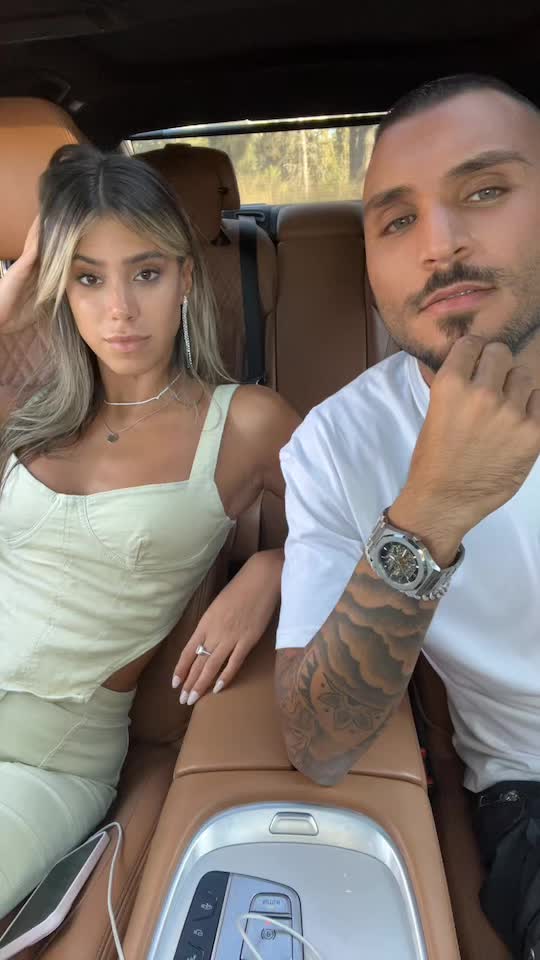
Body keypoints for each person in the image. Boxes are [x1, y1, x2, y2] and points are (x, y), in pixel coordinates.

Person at [275, 75, 540, 958]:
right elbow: (318, 742)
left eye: (486, 191)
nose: (438, 245)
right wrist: (429, 514)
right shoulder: (336, 446)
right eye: (395, 221)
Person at [0, 143, 299, 918]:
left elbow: (373, 537)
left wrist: (273, 568)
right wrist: (14, 291)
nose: (119, 310)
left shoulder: (245, 422)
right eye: (87, 279)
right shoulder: (28, 413)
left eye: (146, 273)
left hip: (43, 761)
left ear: (186, 278)